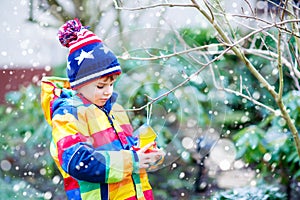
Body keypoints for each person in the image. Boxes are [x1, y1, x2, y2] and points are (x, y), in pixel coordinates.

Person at [41, 18, 165, 200]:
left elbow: (128, 150)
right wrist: (132, 160)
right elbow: (78, 161)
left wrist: (148, 154)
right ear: (78, 85)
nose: (108, 92)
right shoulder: (68, 114)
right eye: (101, 86)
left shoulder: (116, 110)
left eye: (112, 84)